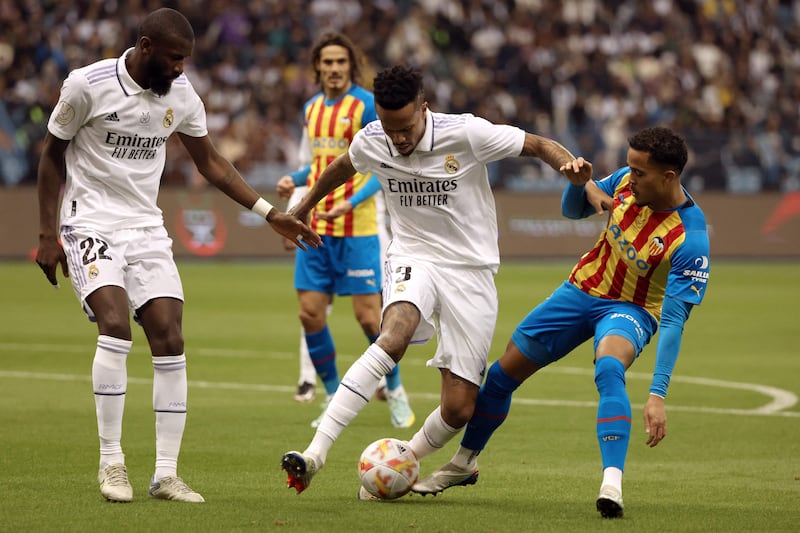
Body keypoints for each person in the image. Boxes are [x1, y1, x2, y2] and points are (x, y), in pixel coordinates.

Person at [35, 8, 320, 504]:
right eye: (173, 59)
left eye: (185, 60)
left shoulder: (181, 95)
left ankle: (165, 474)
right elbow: (51, 154)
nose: (180, 69)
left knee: (169, 334)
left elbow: (210, 161)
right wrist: (45, 233)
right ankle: (112, 463)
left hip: (146, 228)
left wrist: (268, 212)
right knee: (116, 325)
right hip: (89, 222)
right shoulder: (86, 85)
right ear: (146, 47)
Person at [279, 65, 593, 498]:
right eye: (390, 129)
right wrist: (303, 209)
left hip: (471, 271)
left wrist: (570, 166)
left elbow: (538, 144)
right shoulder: (374, 138)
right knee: (394, 335)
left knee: (461, 406)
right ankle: (315, 454)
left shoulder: (466, 133)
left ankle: (402, 459)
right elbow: (342, 166)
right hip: (413, 256)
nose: (399, 138)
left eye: (406, 128)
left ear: (424, 109)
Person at [412, 126, 711, 519]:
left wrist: (657, 395)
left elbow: (673, 321)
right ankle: (465, 462)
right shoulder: (624, 182)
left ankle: (611, 484)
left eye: (640, 172)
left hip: (631, 309)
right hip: (579, 291)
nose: (629, 176)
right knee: (500, 377)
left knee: (608, 368)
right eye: (629, 167)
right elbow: (575, 210)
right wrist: (576, 185)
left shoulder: (690, 237)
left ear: (669, 177)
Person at [275, 32, 414, 428]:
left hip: (359, 228)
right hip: (316, 226)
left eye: (341, 62)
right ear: (317, 67)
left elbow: (382, 166)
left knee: (370, 319)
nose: (334, 69)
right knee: (309, 313)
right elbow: (319, 165)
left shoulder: (367, 105)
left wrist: (349, 203)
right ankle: (335, 393)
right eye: (327, 62)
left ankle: (396, 389)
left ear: (351, 66)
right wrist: (294, 178)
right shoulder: (311, 108)